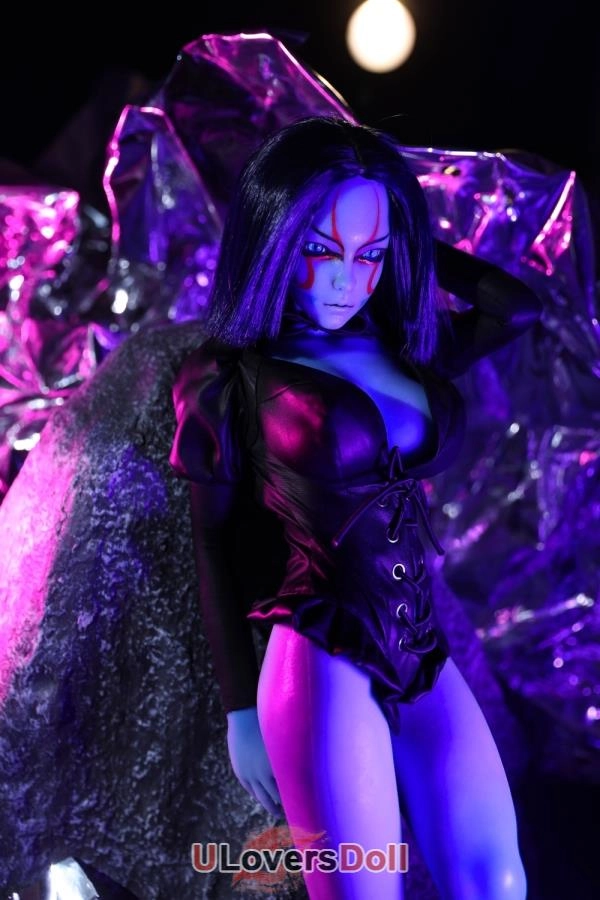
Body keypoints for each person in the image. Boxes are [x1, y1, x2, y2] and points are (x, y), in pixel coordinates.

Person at [169, 115, 541, 899]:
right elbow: (212, 543)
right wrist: (239, 710)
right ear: (276, 239)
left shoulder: (401, 345)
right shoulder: (231, 377)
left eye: (368, 255)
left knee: (497, 881)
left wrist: (409, 242)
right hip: (318, 658)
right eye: (321, 249)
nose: (347, 280)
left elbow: (515, 308)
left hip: (421, 650)